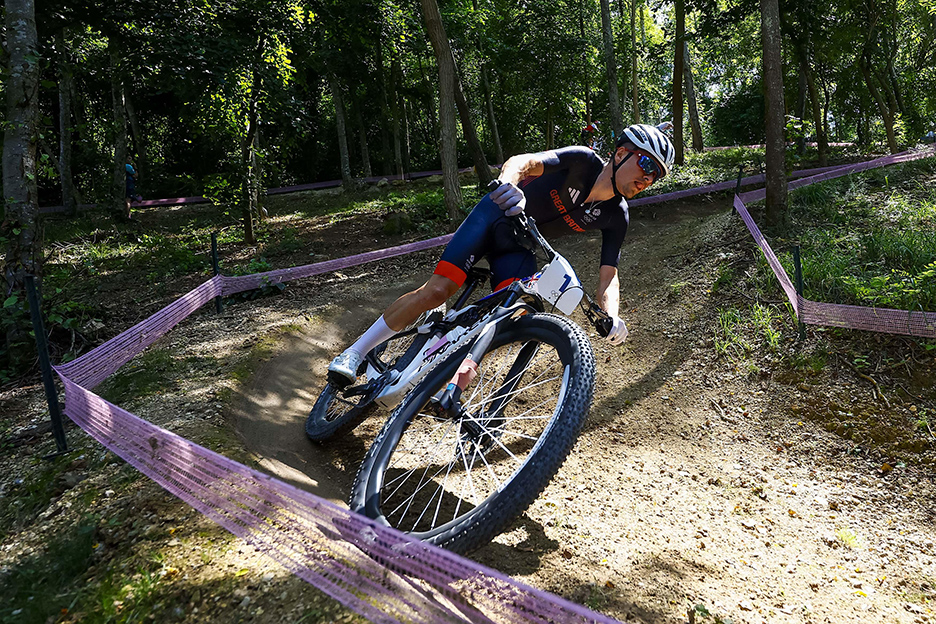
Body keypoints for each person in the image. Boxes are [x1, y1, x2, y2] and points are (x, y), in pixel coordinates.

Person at [328, 123, 676, 384]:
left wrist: (611, 317)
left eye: (657, 174)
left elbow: (608, 274)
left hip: (520, 246)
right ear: (620, 154)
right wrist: (510, 186)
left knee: (515, 313)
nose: (649, 177)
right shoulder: (582, 163)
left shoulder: (617, 215)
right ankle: (355, 352)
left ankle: (453, 379)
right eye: (646, 164)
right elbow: (522, 161)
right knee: (437, 291)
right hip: (496, 216)